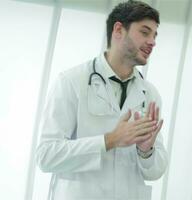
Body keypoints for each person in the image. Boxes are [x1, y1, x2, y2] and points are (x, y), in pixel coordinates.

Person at [35, 1, 167, 199]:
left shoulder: (150, 94)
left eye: (155, 35)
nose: (153, 41)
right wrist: (109, 140)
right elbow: (46, 155)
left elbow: (155, 171)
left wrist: (146, 151)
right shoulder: (72, 81)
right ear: (118, 30)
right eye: (145, 32)